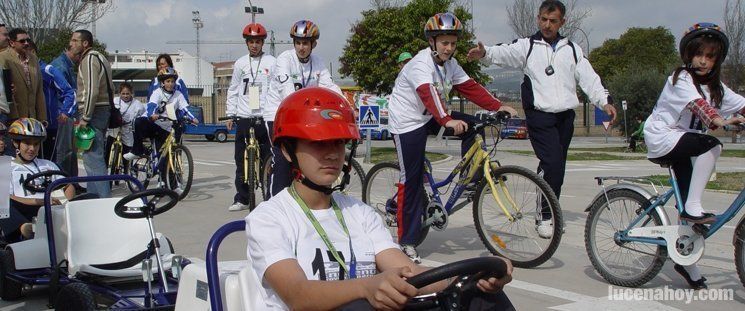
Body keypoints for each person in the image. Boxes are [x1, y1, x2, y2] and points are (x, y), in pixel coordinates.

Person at [246, 87, 515, 310]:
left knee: (481, 297)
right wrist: (366, 286)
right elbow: (298, 295)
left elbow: (407, 270)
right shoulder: (269, 218)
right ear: (288, 150)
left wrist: (471, 274)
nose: (332, 154)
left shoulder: (360, 213)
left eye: (339, 142)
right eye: (318, 143)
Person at [467, 0, 616, 239]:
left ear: (562, 22)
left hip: (565, 117)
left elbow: (589, 79)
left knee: (556, 167)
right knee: (553, 165)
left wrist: (604, 100)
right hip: (540, 116)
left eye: (553, 21)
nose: (547, 25)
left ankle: (550, 210)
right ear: (538, 19)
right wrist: (485, 53)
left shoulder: (573, 50)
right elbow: (505, 52)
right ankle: (545, 216)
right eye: (544, 20)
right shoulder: (528, 46)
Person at [387, 12, 517, 262]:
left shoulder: (451, 65)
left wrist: (496, 106)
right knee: (411, 179)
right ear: (432, 42)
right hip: (407, 122)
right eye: (445, 43)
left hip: (430, 116)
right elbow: (429, 94)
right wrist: (446, 120)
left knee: (474, 125)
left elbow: (470, 87)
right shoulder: (419, 65)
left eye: (453, 43)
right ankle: (407, 241)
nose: (449, 48)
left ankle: (471, 179)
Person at [643, 22, 745, 290]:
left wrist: (738, 114)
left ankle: (687, 262)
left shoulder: (716, 87)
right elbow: (699, 107)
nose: (703, 61)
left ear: (717, 60)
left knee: (688, 205)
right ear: (688, 55)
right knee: (712, 145)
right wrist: (721, 120)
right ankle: (692, 208)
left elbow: (742, 103)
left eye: (710, 56)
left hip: (683, 142)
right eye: (698, 54)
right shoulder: (680, 79)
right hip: (663, 137)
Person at [264, 20, 343, 198]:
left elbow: (329, 86)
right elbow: (288, 91)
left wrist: (346, 104)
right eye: (298, 43)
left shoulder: (318, 62)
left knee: (306, 160)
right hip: (277, 115)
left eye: (305, 43)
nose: (301, 47)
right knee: (284, 161)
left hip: (301, 116)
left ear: (313, 44)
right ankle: (273, 206)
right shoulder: (284, 59)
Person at [225, 22, 276, 212]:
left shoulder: (272, 62)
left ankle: (270, 197)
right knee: (241, 160)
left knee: (269, 160)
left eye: (257, 41)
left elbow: (276, 89)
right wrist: (231, 114)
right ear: (246, 43)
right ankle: (243, 198)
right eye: (251, 41)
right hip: (244, 116)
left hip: (265, 116)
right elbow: (233, 90)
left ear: (262, 42)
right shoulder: (240, 64)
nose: (254, 45)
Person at [0, 118, 74, 243]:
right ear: (15, 143)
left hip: (53, 210)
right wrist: (40, 202)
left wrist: (67, 202)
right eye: (27, 143)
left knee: (92, 196)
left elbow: (67, 186)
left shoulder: (48, 165)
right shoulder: (4, 165)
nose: (32, 148)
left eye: (36, 144)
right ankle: (24, 229)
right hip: (24, 212)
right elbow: (7, 197)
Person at [124, 68, 197, 180]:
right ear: (162, 82)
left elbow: (185, 108)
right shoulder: (157, 92)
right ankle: (137, 150)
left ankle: (167, 185)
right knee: (138, 122)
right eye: (168, 81)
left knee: (165, 157)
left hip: (166, 128)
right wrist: (152, 115)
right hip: (154, 124)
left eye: (172, 81)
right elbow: (151, 105)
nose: (170, 84)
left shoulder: (178, 94)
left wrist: (193, 118)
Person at [74, 29, 114, 198]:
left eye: (75, 40)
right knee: (91, 157)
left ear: (85, 43)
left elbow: (91, 90)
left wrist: (86, 117)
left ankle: (103, 201)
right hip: (101, 110)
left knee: (93, 157)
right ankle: (93, 197)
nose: (71, 43)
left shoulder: (90, 59)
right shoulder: (100, 58)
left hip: (94, 111)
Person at [26, 39, 76, 161]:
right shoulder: (20, 69)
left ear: (32, 51)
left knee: (47, 163)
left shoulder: (47, 70)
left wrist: (65, 112)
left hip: (48, 126)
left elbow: (70, 92)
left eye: (25, 52)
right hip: (26, 126)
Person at [0, 28, 46, 121]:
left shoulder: (34, 59)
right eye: (22, 41)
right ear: (12, 43)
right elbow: (6, 91)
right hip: (12, 118)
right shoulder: (3, 57)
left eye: (28, 40)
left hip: (32, 118)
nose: (26, 43)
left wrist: (42, 119)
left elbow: (39, 91)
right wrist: (13, 118)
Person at [50, 47, 81, 180]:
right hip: (63, 113)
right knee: (64, 151)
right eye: (78, 55)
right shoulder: (60, 66)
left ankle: (71, 181)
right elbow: (65, 92)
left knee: (70, 151)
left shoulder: (66, 65)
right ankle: (63, 182)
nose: (79, 58)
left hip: (67, 112)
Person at [105, 82, 144, 168]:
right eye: (123, 94)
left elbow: (142, 116)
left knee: (126, 152)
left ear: (131, 93)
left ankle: (127, 171)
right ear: (119, 94)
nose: (125, 96)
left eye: (127, 94)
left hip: (128, 129)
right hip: (115, 128)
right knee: (108, 146)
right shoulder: (115, 101)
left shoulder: (138, 104)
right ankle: (106, 165)